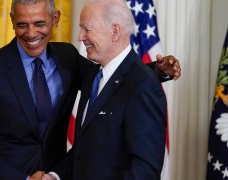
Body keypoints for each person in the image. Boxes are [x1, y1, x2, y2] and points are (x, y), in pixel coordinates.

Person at [0, 0, 180, 179]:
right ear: (12, 21)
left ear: (55, 19)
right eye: (22, 24)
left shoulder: (68, 57)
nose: (31, 33)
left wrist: (156, 72)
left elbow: (113, 79)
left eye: (40, 23)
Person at [43, 0, 168, 179]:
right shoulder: (92, 76)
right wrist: (55, 176)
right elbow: (85, 150)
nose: (80, 37)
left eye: (87, 29)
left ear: (115, 31)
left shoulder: (143, 86)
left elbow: (144, 172)